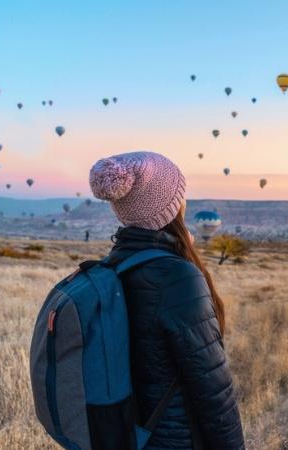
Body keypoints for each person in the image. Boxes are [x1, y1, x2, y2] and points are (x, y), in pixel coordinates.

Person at [89, 151, 245, 450]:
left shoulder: (115, 264)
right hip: (176, 440)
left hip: (131, 435)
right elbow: (213, 388)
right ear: (171, 206)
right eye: (180, 194)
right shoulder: (177, 277)